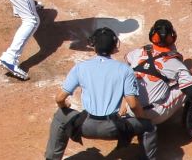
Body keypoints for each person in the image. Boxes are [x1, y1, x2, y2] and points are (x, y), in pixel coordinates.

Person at [43, 26, 157, 160]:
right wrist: (141, 121)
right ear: (114, 47)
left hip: (84, 126)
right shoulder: (125, 70)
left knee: (60, 116)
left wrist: (64, 106)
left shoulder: (81, 67)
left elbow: (59, 98)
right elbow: (132, 104)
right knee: (149, 127)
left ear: (94, 46)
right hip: (113, 129)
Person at [126, 19, 192, 144]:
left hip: (128, 108)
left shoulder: (137, 52)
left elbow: (127, 60)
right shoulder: (175, 64)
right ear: (173, 37)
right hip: (152, 115)